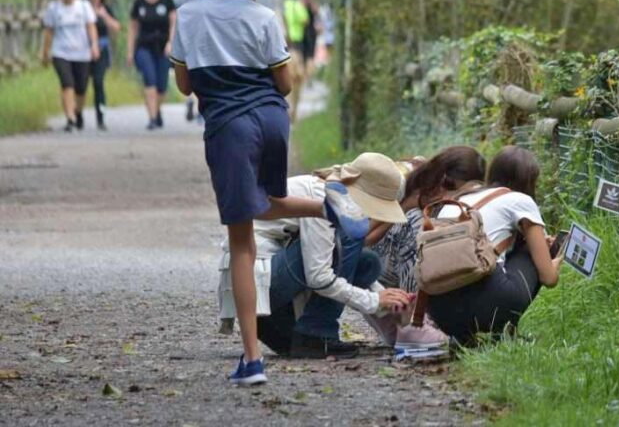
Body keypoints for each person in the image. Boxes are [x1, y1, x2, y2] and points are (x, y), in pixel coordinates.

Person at [170, 0, 367, 386]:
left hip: (231, 129)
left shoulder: (189, 15)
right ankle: (326, 206)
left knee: (242, 241)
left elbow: (184, 85)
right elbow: (284, 82)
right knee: (267, 202)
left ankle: (252, 359)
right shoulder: (263, 16)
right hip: (273, 121)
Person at [226, 153, 412, 360]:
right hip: (257, 289)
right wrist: (375, 301)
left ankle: (306, 333)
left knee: (367, 263)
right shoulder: (322, 196)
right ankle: (316, 332)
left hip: (268, 300)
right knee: (349, 237)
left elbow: (341, 266)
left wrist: (387, 298)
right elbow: (319, 277)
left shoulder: (330, 191)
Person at [426, 146, 562, 345]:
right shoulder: (520, 200)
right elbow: (549, 279)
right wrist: (554, 259)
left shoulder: (458, 200)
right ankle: (505, 332)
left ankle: (464, 337)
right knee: (534, 250)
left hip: (440, 312)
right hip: (490, 307)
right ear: (529, 180)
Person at [365, 146, 487, 349]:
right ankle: (413, 320)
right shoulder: (405, 178)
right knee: (419, 225)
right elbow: (364, 236)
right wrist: (407, 205)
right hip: (374, 262)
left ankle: (435, 320)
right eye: (452, 187)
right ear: (444, 177)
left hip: (400, 265)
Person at [42, 0, 100, 132]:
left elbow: (91, 27)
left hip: (82, 53)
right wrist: (45, 52)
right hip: (61, 52)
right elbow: (49, 32)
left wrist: (94, 45)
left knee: (81, 88)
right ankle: (70, 118)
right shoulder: (54, 8)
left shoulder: (83, 6)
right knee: (67, 84)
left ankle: (78, 111)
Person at [127, 0, 176, 130]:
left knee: (162, 85)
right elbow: (133, 29)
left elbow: (174, 24)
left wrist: (171, 43)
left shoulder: (167, 1)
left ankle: (157, 109)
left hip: (163, 48)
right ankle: (152, 118)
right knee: (150, 78)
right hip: (144, 47)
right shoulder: (139, 4)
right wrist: (130, 51)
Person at [83, 0, 121, 130]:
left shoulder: (106, 9)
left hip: (101, 49)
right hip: (82, 49)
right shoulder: (81, 8)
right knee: (81, 83)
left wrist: (104, 16)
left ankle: (101, 117)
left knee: (98, 82)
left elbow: (117, 27)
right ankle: (77, 114)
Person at [174, 0, 208, 122]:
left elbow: (175, 7)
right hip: (206, 35)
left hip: (188, 35)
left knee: (190, 70)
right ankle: (202, 106)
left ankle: (189, 100)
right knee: (204, 70)